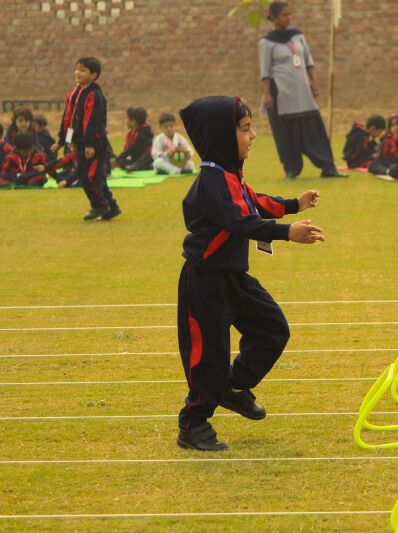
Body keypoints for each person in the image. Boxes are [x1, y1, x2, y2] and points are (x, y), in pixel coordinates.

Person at [176, 95, 324, 451]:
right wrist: (288, 231)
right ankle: (193, 424)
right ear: (222, 138)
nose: (253, 135)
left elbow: (253, 200)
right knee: (207, 356)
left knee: (272, 329)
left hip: (232, 277)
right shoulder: (213, 180)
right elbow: (243, 222)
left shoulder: (229, 175)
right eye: (244, 130)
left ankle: (233, 386)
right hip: (206, 281)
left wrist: (293, 204)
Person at [259, 1, 346, 179]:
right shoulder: (267, 42)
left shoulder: (298, 36)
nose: (288, 18)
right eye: (284, 15)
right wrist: (267, 95)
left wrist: (314, 82)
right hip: (281, 94)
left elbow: (309, 61)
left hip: (303, 92)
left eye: (290, 14)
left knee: (314, 129)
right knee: (286, 133)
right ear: (273, 18)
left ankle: (328, 167)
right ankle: (291, 168)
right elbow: (265, 72)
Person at [52, 57, 121, 220]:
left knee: (87, 175)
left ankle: (99, 205)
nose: (77, 73)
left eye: (82, 70)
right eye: (76, 69)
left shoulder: (94, 95)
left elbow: (93, 120)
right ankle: (112, 207)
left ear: (93, 75)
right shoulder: (75, 93)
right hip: (79, 142)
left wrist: (90, 144)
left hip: (93, 142)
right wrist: (62, 140)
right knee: (96, 176)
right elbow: (67, 117)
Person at [114, 106, 154, 170]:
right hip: (135, 157)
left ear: (133, 121)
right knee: (120, 161)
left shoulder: (143, 133)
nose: (126, 121)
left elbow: (133, 148)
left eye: (127, 119)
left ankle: (137, 166)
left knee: (147, 154)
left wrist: (119, 158)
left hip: (144, 158)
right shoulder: (133, 132)